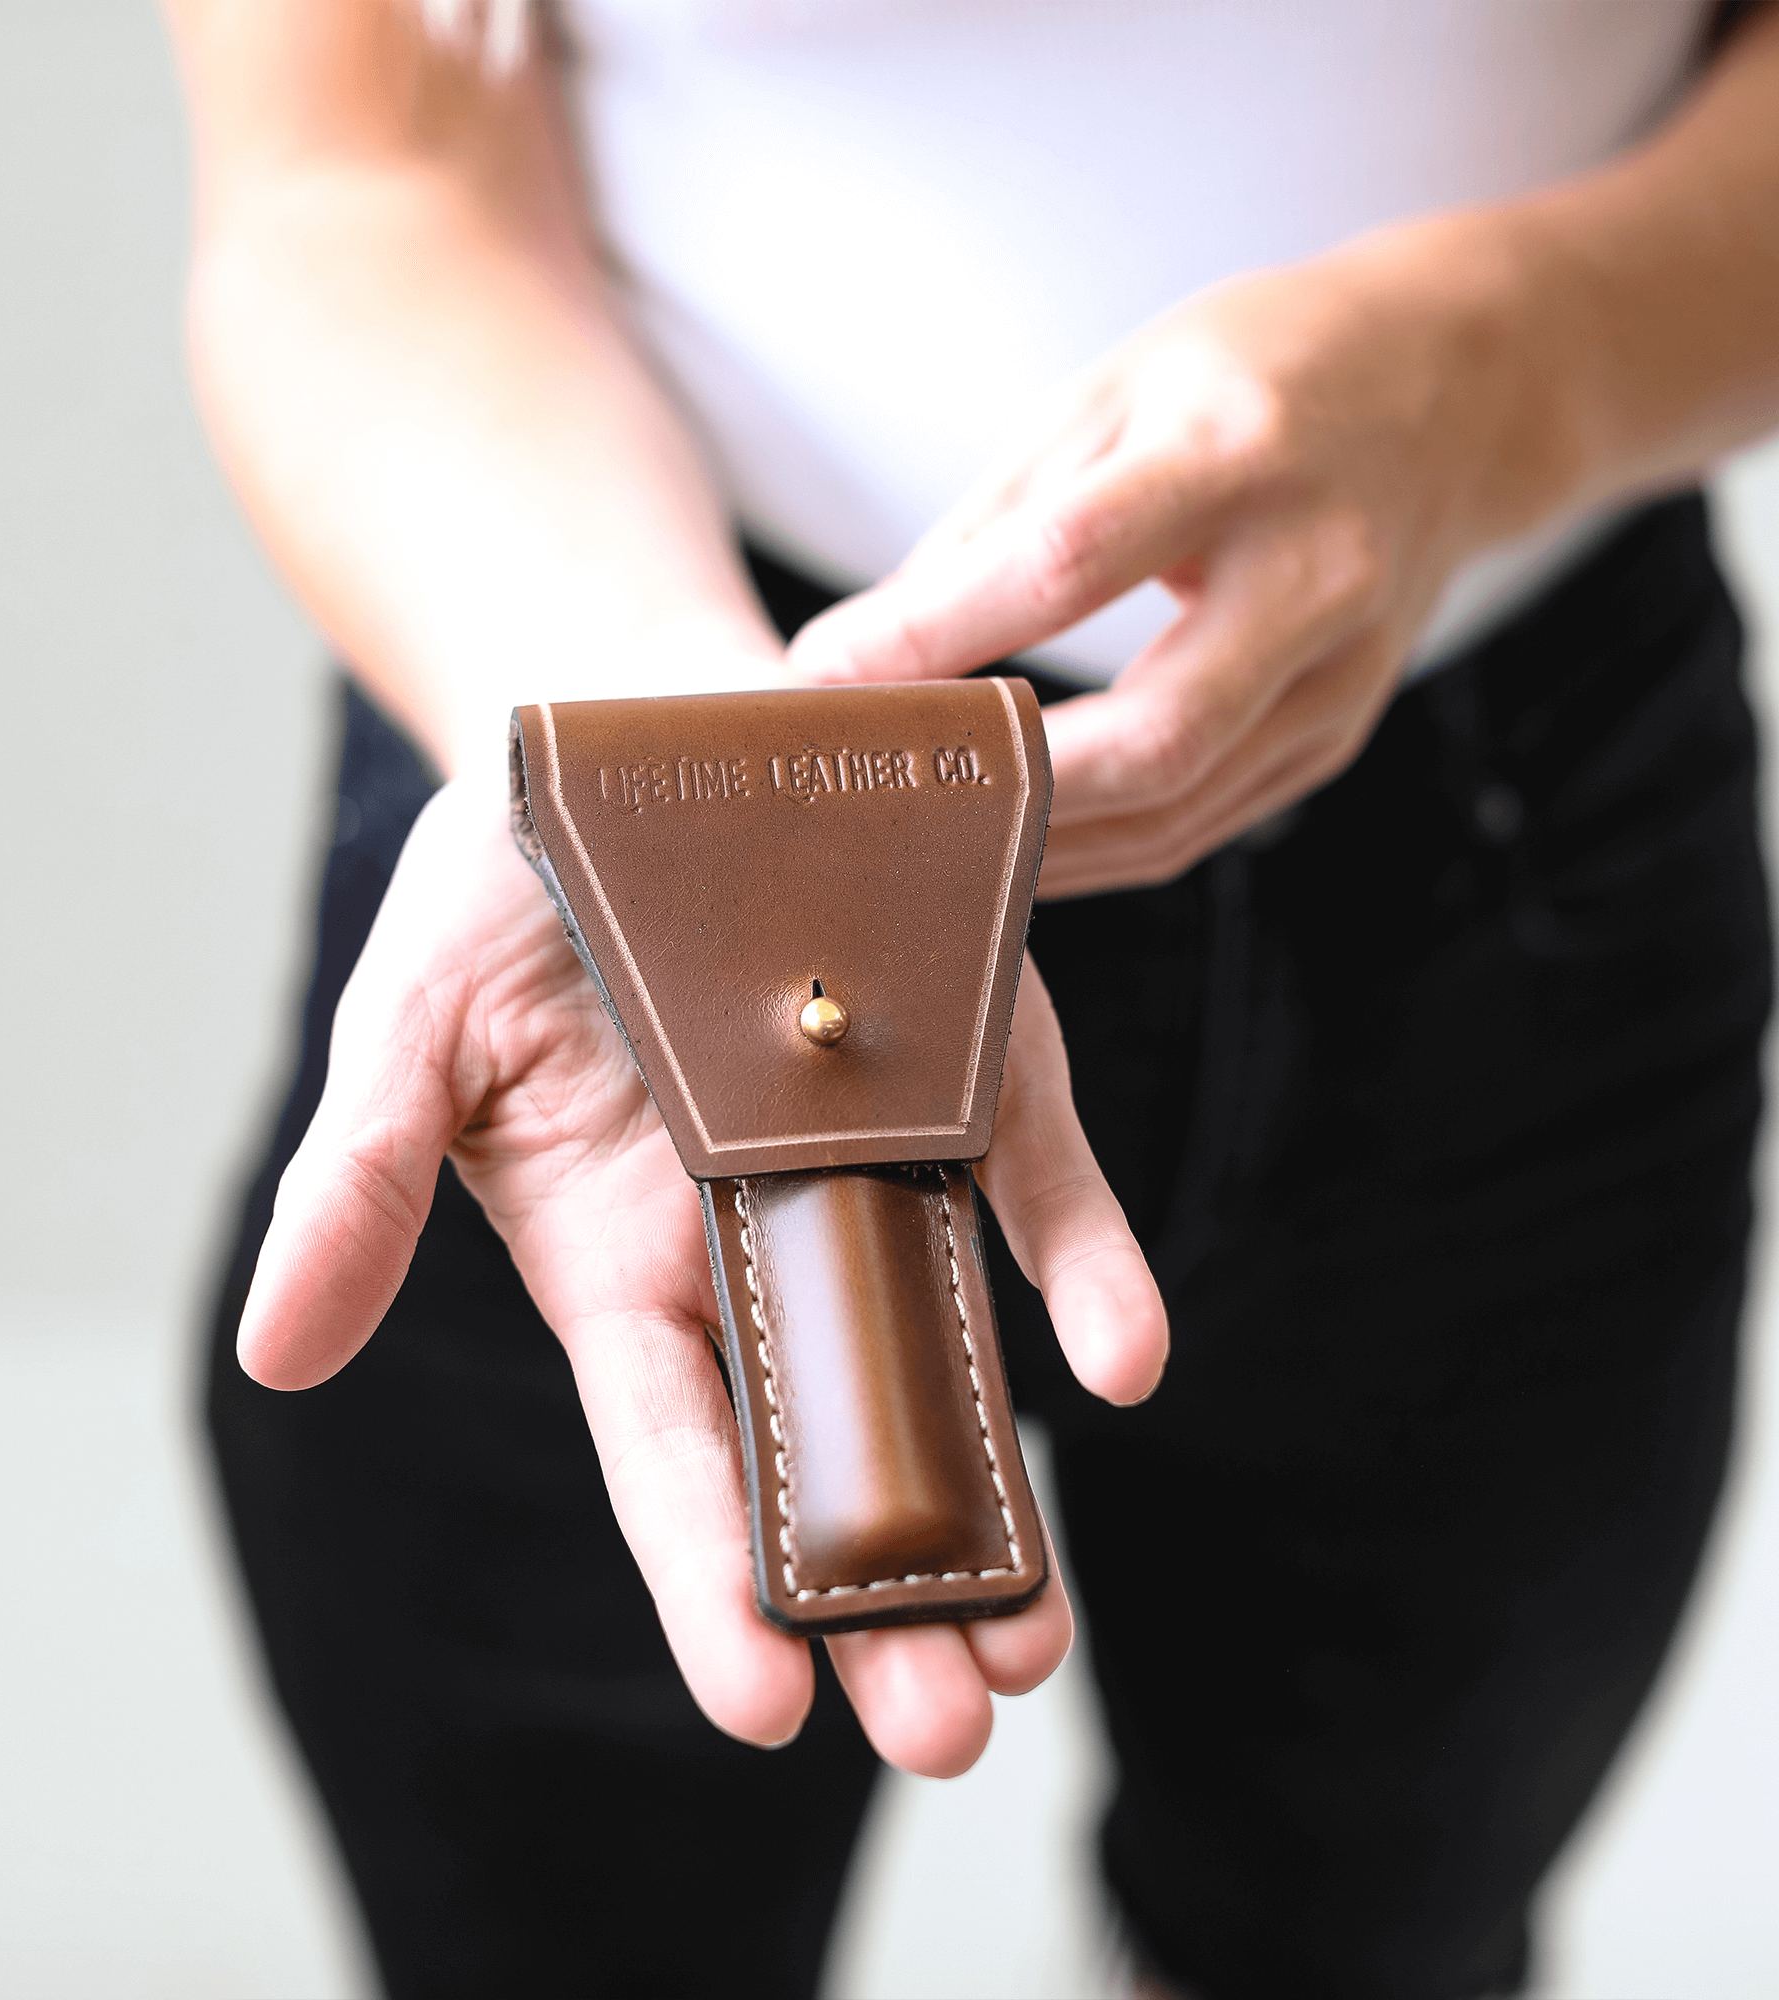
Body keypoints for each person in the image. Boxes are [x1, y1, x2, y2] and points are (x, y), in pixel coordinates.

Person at [163, 2, 1779, 1994]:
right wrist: (683, 779)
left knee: (1382, 1926)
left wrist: (1493, 370)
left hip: (1518, 787)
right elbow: (347, 174)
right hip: (585, 763)